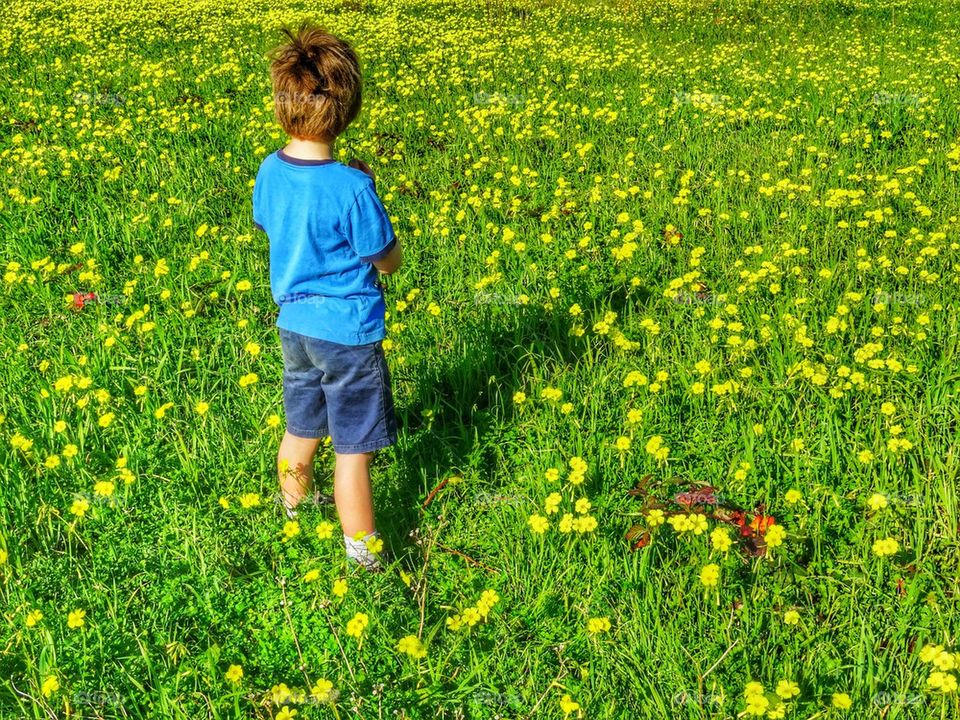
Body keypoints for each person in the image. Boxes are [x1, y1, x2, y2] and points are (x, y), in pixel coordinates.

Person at [252, 23, 402, 571]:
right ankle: (364, 557)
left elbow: (273, 221)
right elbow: (385, 259)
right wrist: (368, 193)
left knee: (300, 427)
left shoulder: (270, 169)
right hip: (348, 334)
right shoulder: (354, 188)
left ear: (282, 104)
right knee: (352, 450)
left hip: (294, 325)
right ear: (347, 107)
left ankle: (292, 515)